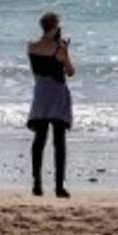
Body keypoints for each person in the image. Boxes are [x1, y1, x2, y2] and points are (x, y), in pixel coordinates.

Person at [26, 12, 75, 198]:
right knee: (59, 141)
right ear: (55, 27)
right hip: (57, 94)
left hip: (40, 93)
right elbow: (70, 71)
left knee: (40, 139)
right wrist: (64, 51)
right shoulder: (59, 48)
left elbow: (37, 68)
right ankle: (59, 186)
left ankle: (36, 183)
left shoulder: (31, 46)